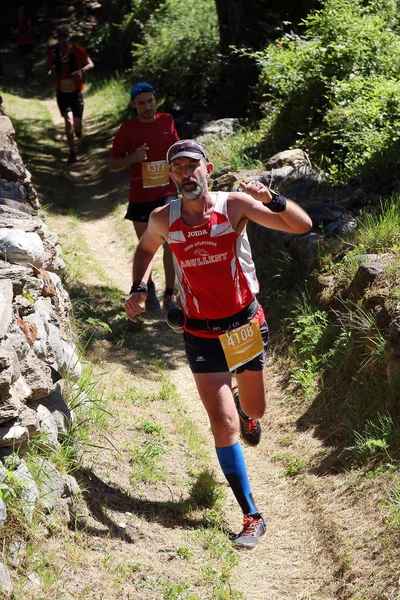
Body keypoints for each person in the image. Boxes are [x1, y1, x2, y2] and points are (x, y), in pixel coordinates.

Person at [124, 139, 313, 549]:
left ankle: (249, 412)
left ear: (207, 168)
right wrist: (139, 286)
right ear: (171, 175)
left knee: (255, 407)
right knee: (221, 422)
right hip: (200, 332)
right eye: (178, 169)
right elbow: (144, 250)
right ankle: (251, 515)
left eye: (193, 166)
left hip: (243, 325)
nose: (186, 174)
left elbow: (302, 226)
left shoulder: (233, 206)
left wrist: (273, 197)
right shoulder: (163, 217)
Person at [110, 82, 179, 312]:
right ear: (133, 105)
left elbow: (176, 151)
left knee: (172, 243)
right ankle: (147, 289)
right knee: (146, 246)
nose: (147, 107)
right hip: (141, 196)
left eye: (150, 101)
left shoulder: (167, 120)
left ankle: (170, 295)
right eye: (142, 103)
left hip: (167, 191)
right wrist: (133, 158)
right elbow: (113, 164)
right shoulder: (127, 129)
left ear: (155, 99)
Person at [47, 26, 94, 165]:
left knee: (77, 127)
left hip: (75, 92)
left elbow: (91, 64)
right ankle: (72, 153)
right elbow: (49, 68)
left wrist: (81, 71)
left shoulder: (77, 51)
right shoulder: (54, 54)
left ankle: (78, 132)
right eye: (60, 38)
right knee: (68, 121)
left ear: (68, 38)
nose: (63, 40)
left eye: (65, 37)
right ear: (58, 39)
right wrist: (50, 73)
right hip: (62, 93)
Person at [16, 6, 35, 82]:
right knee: (24, 59)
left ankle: (29, 71)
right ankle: (26, 74)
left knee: (30, 58)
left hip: (28, 42)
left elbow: (31, 30)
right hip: (21, 42)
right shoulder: (17, 21)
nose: (19, 13)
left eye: (21, 12)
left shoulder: (27, 21)